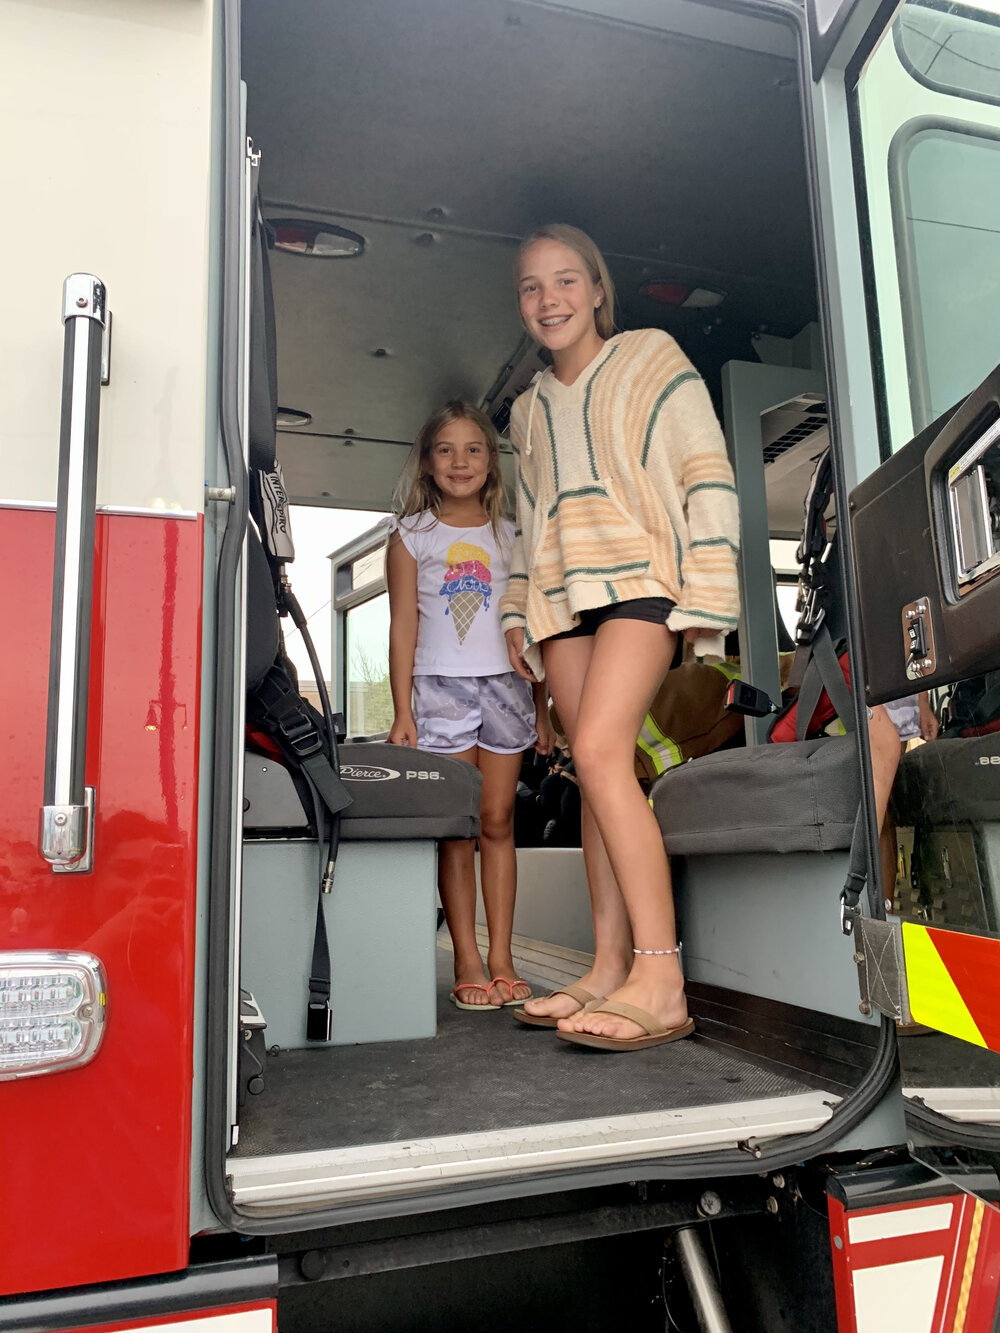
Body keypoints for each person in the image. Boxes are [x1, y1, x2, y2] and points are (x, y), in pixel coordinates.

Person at [501, 224, 740, 1051]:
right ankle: (607, 966)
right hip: (563, 596)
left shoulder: (650, 357)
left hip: (641, 581)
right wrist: (513, 612)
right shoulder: (526, 410)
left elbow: (705, 469)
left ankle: (662, 977)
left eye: (566, 281)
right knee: (591, 770)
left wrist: (710, 588)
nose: (550, 299)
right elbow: (526, 527)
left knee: (604, 754)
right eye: (532, 287)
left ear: (598, 289)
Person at [387, 401, 553, 1011]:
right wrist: (404, 711)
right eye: (446, 450)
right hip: (440, 689)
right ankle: (466, 958)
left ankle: (504, 957)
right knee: (458, 832)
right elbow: (402, 626)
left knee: (498, 821)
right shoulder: (411, 535)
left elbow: (534, 626)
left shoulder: (514, 534)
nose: (461, 462)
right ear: (427, 463)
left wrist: (544, 710)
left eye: (474, 449)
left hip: (508, 688)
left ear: (492, 460)